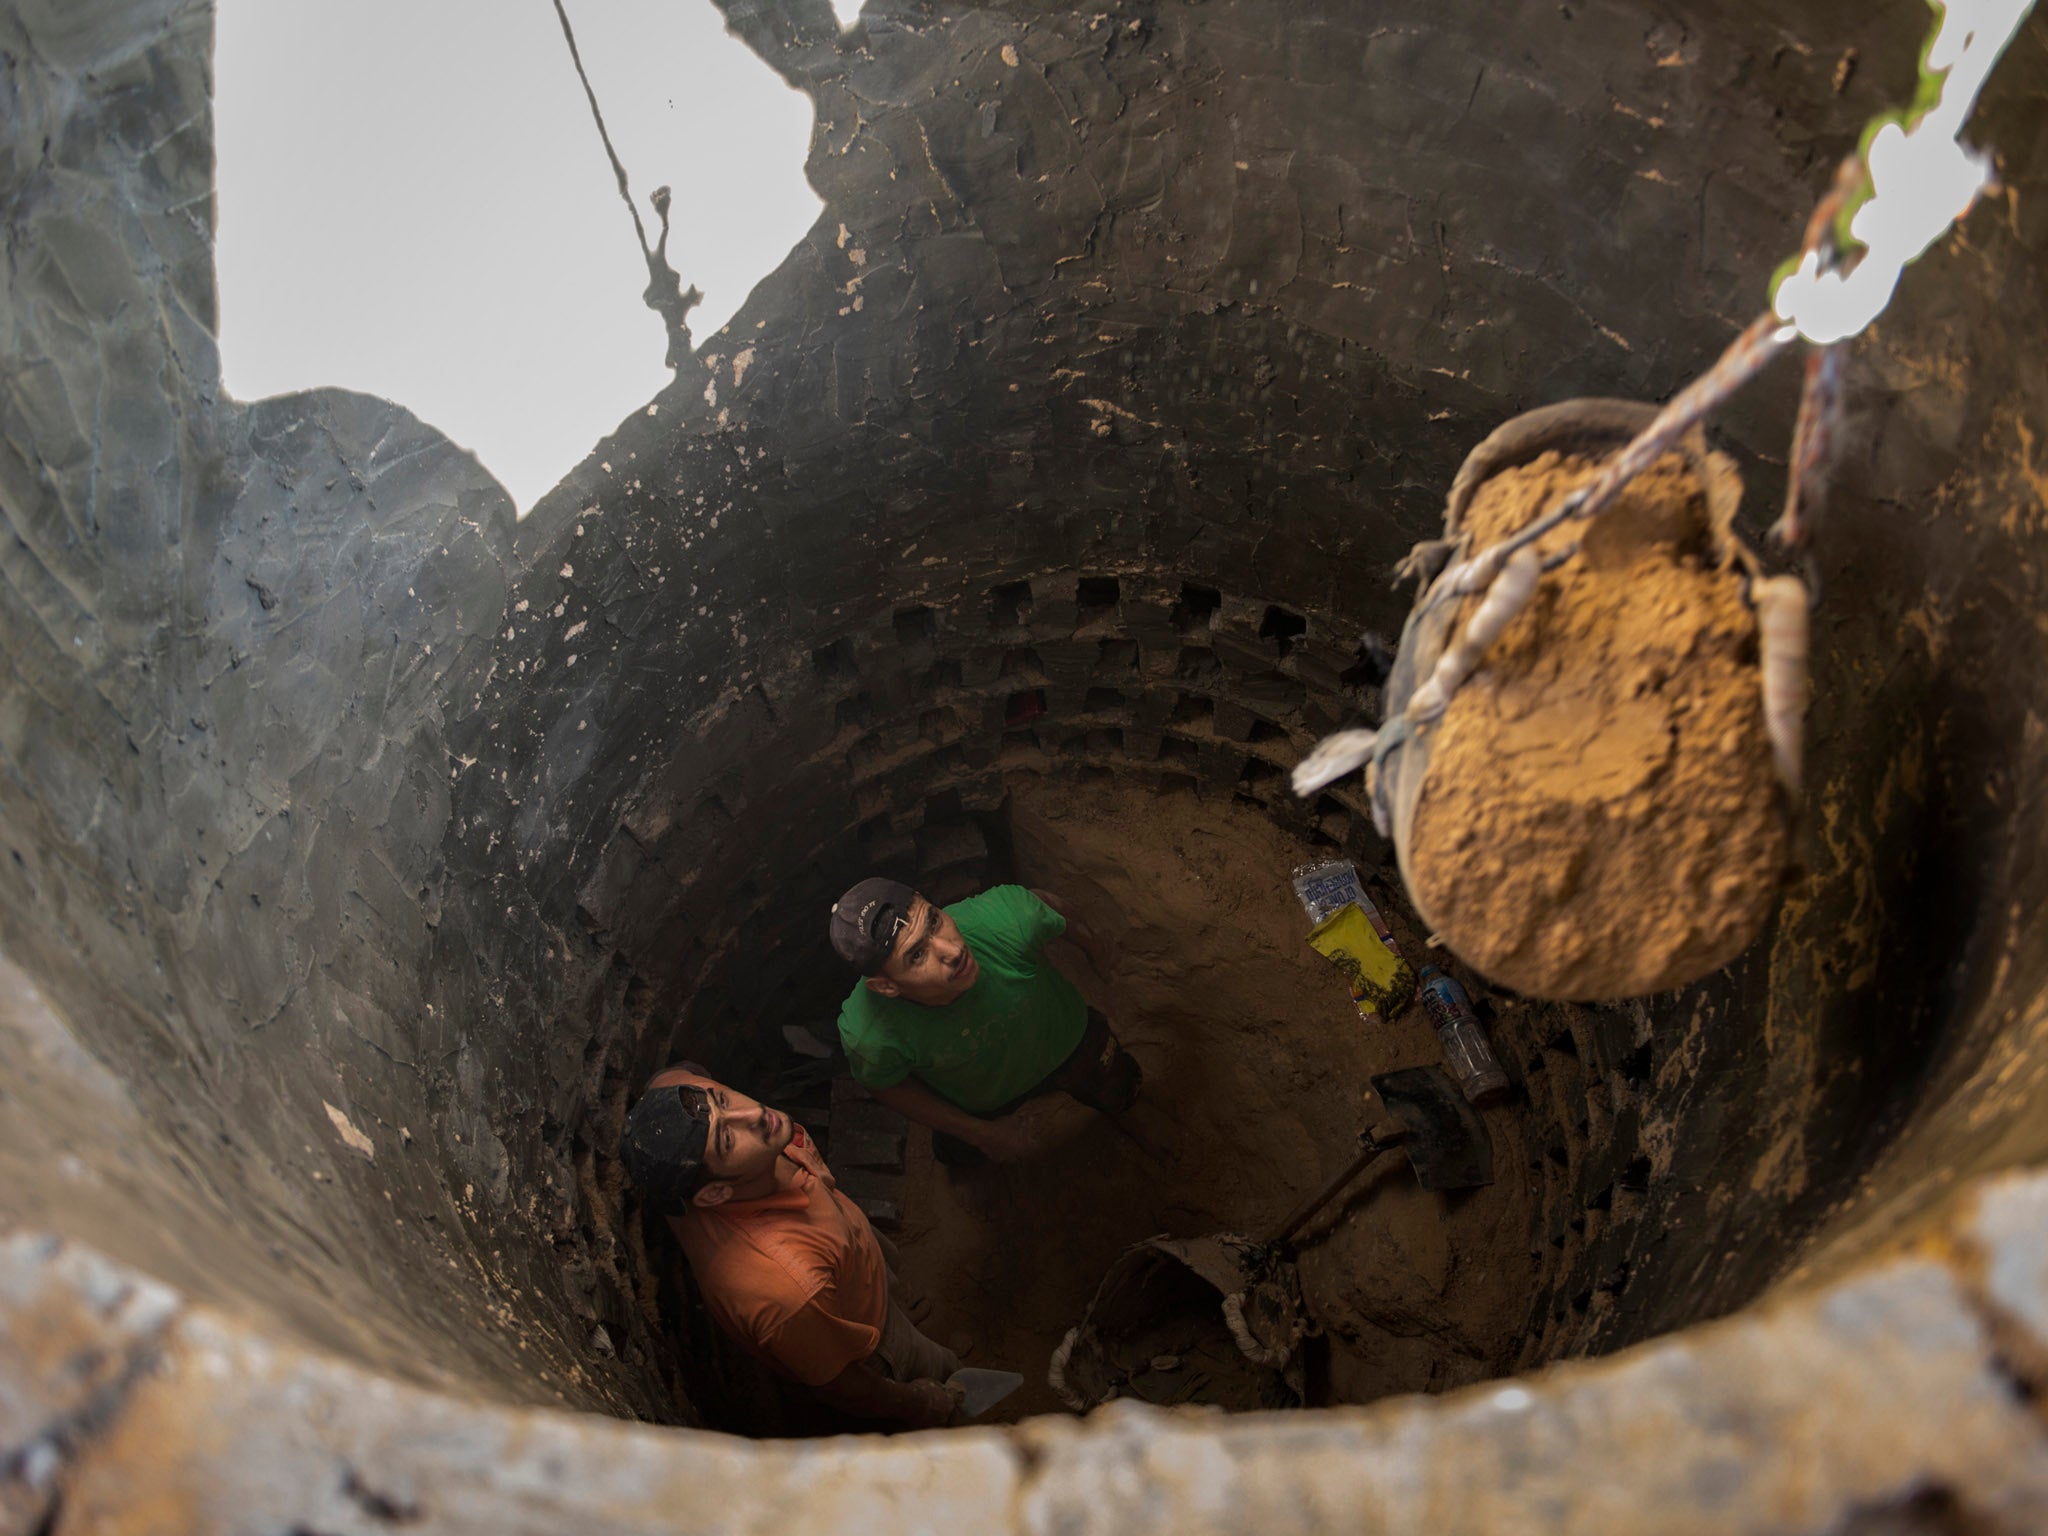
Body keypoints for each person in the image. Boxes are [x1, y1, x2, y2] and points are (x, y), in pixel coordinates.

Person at [619, 1064, 962, 1428]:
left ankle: (896, 1298)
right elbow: (846, 1387)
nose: (752, 1114)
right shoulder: (788, 1289)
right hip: (866, 1330)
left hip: (844, 1236)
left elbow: (676, 1075)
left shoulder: (678, 1093)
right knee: (935, 1366)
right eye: (727, 1139)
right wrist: (922, 1403)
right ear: (716, 1193)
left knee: (882, 1263)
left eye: (722, 1098)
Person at [829, 877, 1142, 1168]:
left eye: (934, 921)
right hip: (982, 1101)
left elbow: (1052, 908)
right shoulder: (870, 1034)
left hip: (1070, 1042)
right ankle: (968, 1168)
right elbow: (887, 1085)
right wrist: (981, 1133)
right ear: (886, 987)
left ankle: (1128, 1103)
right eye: (916, 955)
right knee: (962, 1151)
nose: (953, 950)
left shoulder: (1005, 919)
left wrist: (1098, 952)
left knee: (1117, 1082)